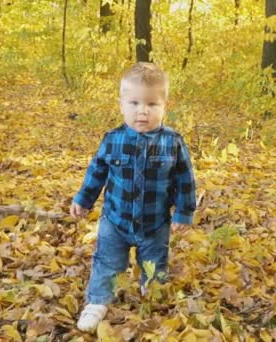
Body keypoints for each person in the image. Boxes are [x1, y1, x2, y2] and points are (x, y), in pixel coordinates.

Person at [69, 62, 197, 332]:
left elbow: (185, 180)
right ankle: (98, 302)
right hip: (115, 220)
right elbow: (97, 172)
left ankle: (150, 298)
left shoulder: (172, 142)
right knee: (107, 262)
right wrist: (83, 200)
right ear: (122, 104)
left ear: (165, 106)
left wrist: (184, 212)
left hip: (155, 223)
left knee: (154, 264)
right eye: (135, 102)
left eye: (152, 104)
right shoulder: (113, 139)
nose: (143, 111)